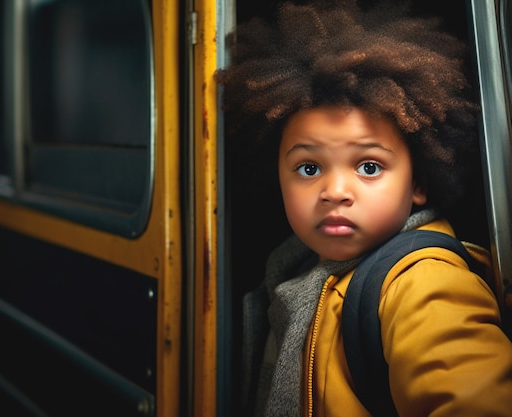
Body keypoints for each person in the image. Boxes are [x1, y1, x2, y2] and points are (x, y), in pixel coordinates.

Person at [214, 1, 512, 416]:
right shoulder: (291, 272)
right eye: (308, 167)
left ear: (419, 184)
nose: (335, 191)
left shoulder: (423, 285)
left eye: (369, 167)